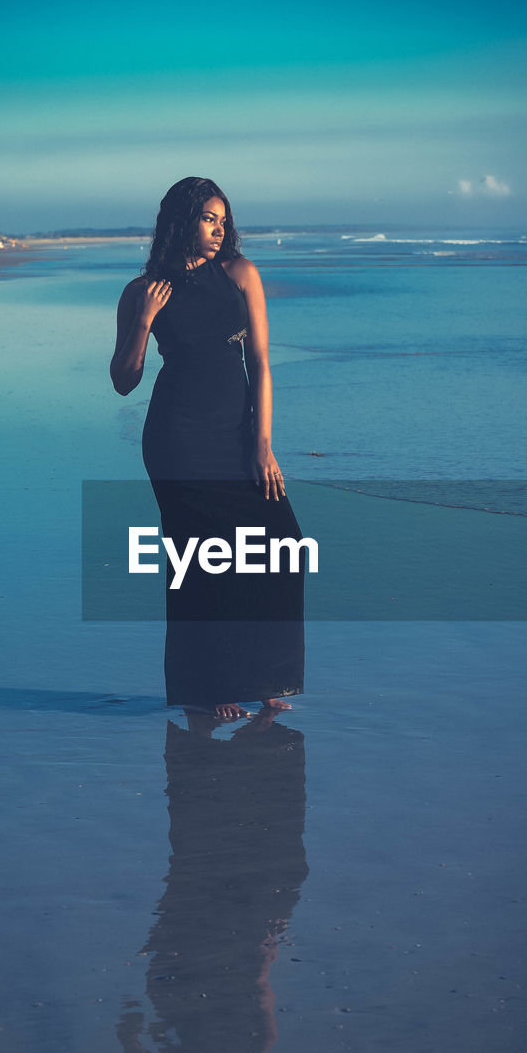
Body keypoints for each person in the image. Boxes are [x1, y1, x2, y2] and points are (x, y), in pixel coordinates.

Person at [110, 176, 304, 719]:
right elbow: (123, 380)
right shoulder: (142, 290)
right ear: (181, 219)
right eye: (208, 219)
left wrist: (262, 445)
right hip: (177, 440)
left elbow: (261, 364)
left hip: (237, 436)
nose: (220, 230)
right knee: (199, 563)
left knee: (280, 546)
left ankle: (266, 676)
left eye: (224, 219)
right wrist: (144, 321)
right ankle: (208, 686)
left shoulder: (240, 275)